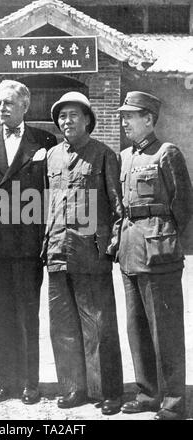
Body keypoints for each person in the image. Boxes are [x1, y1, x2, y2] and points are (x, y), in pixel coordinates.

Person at [0, 79, 57, 405]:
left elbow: (51, 193)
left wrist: (48, 235)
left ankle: (30, 384)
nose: (2, 108)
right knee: (3, 316)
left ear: (25, 106)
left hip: (28, 243)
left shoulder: (44, 141)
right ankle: (7, 383)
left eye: (8, 103)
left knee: (27, 315)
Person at [43, 91, 123, 415]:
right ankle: (73, 388)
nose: (67, 121)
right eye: (62, 116)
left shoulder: (104, 155)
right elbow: (45, 203)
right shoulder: (51, 157)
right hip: (57, 251)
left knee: (98, 327)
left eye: (74, 115)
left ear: (88, 119)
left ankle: (107, 392)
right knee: (62, 326)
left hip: (91, 254)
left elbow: (118, 207)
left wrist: (111, 246)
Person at [117, 91, 193, 420]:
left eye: (130, 116)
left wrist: (168, 241)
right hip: (130, 249)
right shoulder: (124, 157)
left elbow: (183, 205)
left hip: (159, 251)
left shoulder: (167, 153)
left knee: (166, 329)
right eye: (123, 116)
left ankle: (175, 401)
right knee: (137, 328)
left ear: (148, 119)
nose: (124, 122)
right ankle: (148, 393)